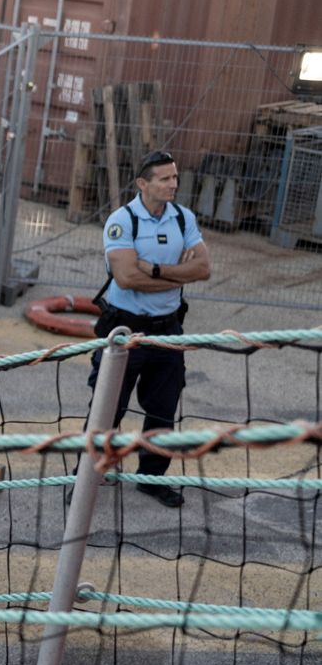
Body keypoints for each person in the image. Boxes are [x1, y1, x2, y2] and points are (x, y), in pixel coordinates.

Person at [87, 150, 210, 508]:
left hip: (168, 330)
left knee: (163, 411)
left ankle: (151, 479)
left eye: (175, 178)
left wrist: (154, 271)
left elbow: (203, 269)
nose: (173, 184)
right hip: (124, 330)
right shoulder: (123, 221)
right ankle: (89, 479)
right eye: (165, 178)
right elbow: (125, 278)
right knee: (107, 408)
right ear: (143, 183)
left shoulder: (183, 219)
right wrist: (175, 275)